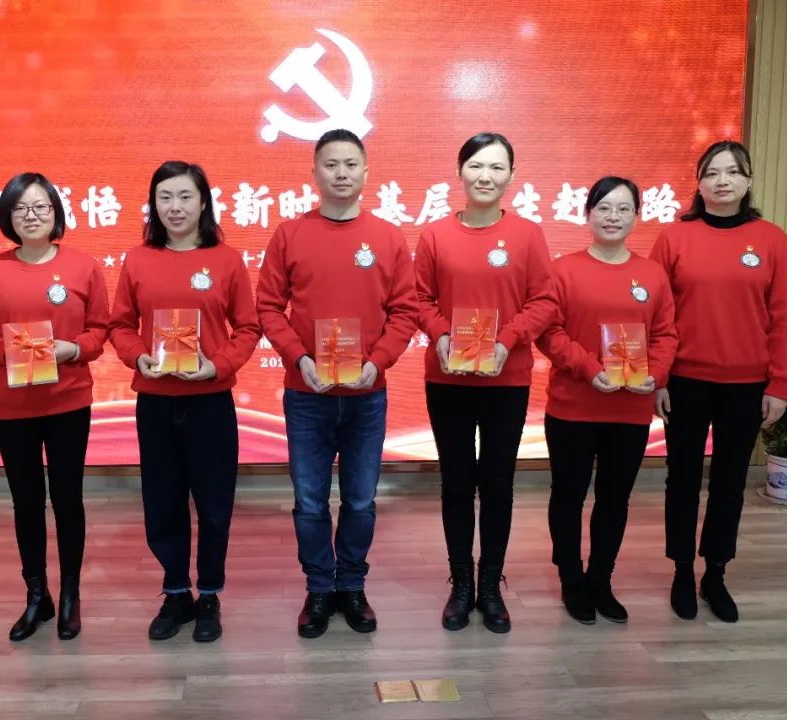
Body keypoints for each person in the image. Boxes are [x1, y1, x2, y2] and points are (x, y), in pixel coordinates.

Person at [256, 129, 417, 639]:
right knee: (309, 501)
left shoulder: (388, 237)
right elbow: (268, 307)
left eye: (350, 164)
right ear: (314, 173)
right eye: (331, 164)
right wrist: (299, 358)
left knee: (361, 500)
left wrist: (379, 361)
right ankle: (319, 588)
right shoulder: (290, 234)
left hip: (367, 395)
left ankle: (352, 584)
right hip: (307, 395)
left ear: (367, 172)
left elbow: (406, 311)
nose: (341, 173)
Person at [108, 161, 259, 643]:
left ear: (204, 203)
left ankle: (209, 594)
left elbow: (248, 327)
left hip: (211, 402)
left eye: (185, 196)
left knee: (214, 505)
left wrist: (218, 365)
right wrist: (137, 357)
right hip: (156, 401)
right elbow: (120, 325)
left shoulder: (226, 260)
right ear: (153, 205)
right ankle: (176, 592)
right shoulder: (138, 260)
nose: (175, 207)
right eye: (165, 197)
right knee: (162, 502)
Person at [651, 141, 787, 623]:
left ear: (748, 181)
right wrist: (657, 377)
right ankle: (681, 570)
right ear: (698, 182)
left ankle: (714, 573)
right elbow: (656, 315)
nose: (722, 181)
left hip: (747, 384)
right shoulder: (674, 238)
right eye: (712, 172)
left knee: (730, 482)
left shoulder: (771, 240)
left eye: (734, 172)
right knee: (682, 479)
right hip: (685, 381)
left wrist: (780, 384)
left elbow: (784, 317)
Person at [414, 132, 557, 633]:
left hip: (506, 378)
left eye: (497, 167)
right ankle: (461, 584)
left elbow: (544, 301)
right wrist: (442, 336)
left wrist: (506, 342)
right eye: (476, 165)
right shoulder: (435, 234)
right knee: (456, 481)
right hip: (448, 378)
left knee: (498, 483)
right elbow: (418, 298)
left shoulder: (528, 235)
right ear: (460, 172)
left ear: (512, 176)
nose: (485, 176)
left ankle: (491, 585)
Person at [0, 172, 109, 641]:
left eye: (40, 207)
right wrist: (9, 353)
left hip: (68, 400)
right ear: (8, 216)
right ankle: (36, 596)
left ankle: (70, 595)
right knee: (26, 502)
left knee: (68, 499)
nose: (31, 216)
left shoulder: (84, 267)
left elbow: (100, 330)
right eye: (21, 208)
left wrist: (74, 349)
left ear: (55, 212)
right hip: (13, 406)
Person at [536, 176, 677, 624]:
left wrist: (655, 374)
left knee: (615, 499)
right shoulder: (562, 270)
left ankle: (601, 579)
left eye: (623, 209)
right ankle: (571, 579)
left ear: (637, 216)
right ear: (588, 214)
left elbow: (666, 334)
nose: (613, 217)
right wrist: (588, 368)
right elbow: (549, 332)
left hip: (629, 409)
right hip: (573, 405)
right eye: (603, 208)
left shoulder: (652, 275)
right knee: (569, 495)